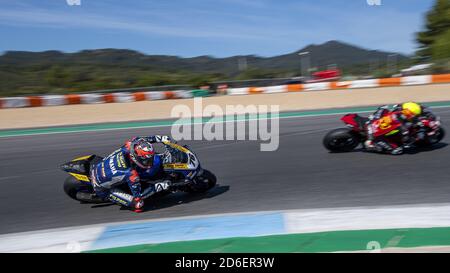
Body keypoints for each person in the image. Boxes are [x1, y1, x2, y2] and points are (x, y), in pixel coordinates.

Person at [90, 135, 173, 212]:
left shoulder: (131, 145)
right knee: (138, 205)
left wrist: (161, 138)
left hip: (98, 165)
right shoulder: (131, 174)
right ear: (135, 158)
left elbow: (144, 140)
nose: (149, 162)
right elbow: (139, 195)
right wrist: (158, 186)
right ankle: (109, 195)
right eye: (146, 160)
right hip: (100, 187)